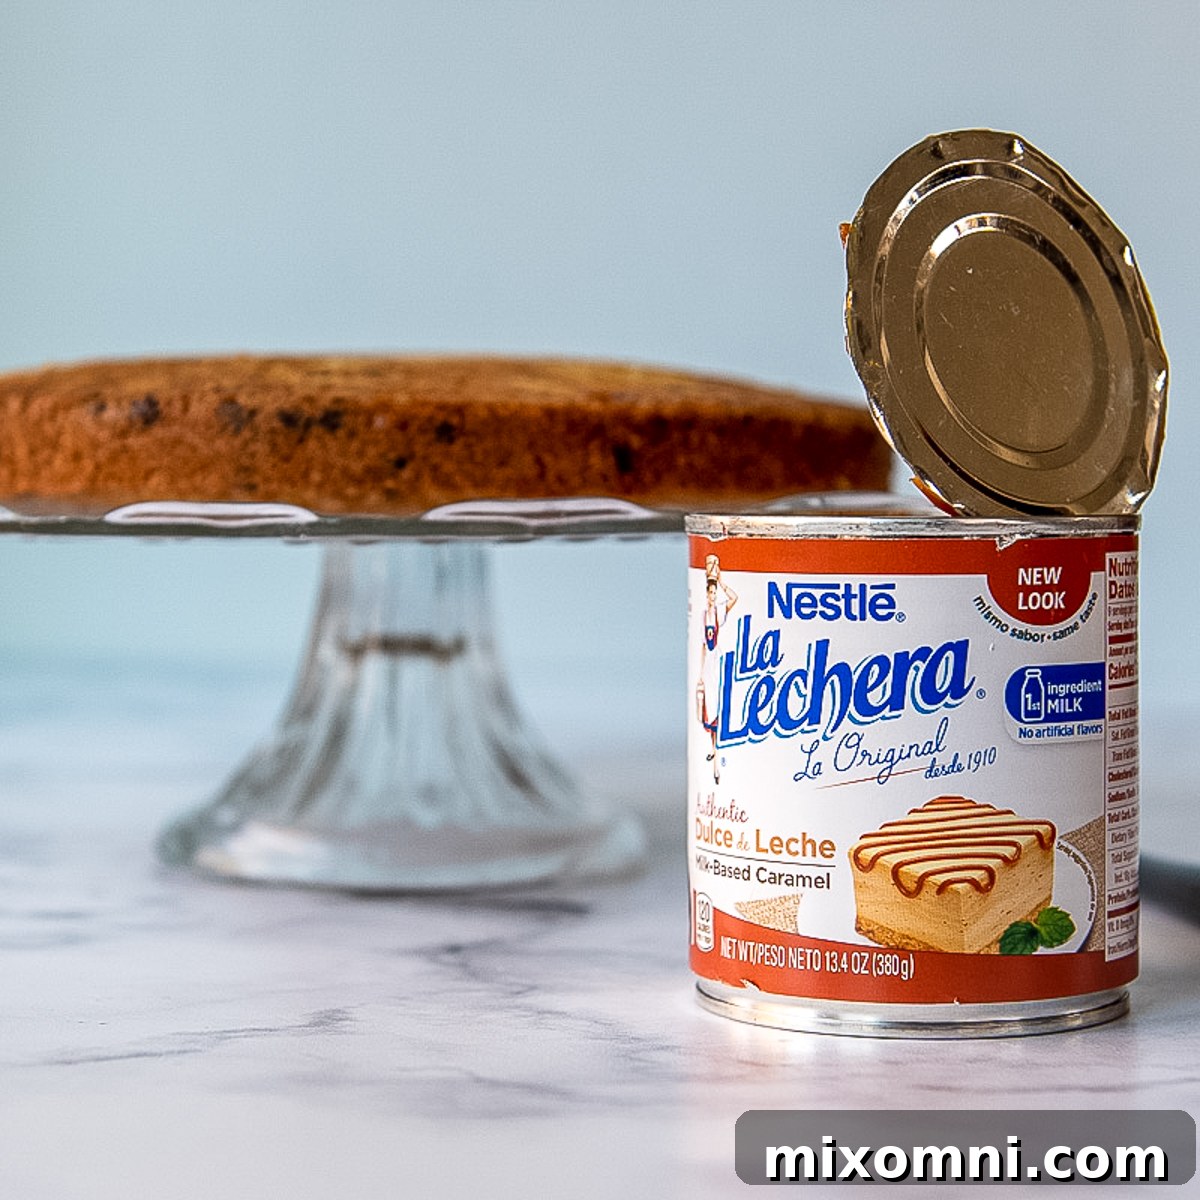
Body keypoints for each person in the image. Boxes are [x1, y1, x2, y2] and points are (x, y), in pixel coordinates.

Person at [696, 554, 736, 783]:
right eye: (709, 593)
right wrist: (700, 673)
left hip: (718, 661)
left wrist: (720, 581)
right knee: (709, 707)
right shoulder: (703, 615)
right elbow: (702, 645)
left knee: (719, 704)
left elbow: (734, 597)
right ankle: (713, 747)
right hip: (710, 662)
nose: (711, 596)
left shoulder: (720, 610)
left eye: (713, 593)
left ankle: (719, 752)